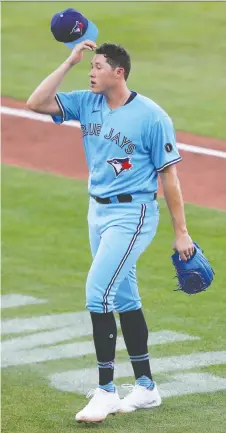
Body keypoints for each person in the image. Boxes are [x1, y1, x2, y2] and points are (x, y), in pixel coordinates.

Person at [27, 40, 194, 423]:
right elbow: (35, 103)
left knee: (97, 291)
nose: (92, 71)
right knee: (123, 295)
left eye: (98, 65)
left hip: (133, 213)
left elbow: (169, 175)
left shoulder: (152, 116)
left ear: (119, 72)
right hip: (96, 212)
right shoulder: (88, 104)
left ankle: (105, 391)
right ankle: (147, 387)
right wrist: (69, 61)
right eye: (90, 65)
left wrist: (180, 232)